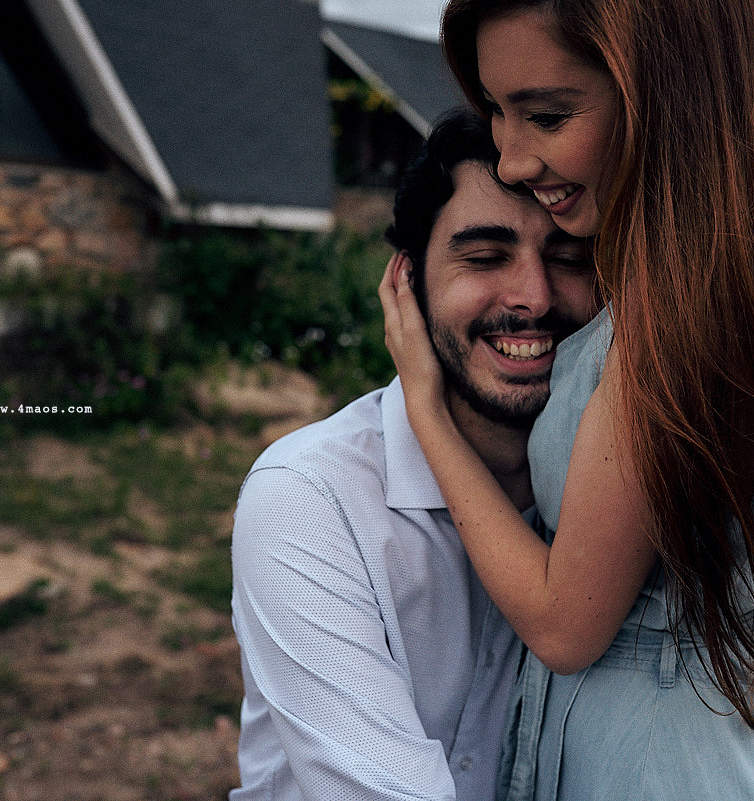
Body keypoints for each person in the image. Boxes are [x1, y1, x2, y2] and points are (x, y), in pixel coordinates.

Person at [378, 2, 754, 800]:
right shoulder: (712, 301)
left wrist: (425, 408)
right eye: (498, 113)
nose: (509, 160)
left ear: (669, 102)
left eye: (546, 115)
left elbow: (564, 624)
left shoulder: (664, 342)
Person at [228, 110, 600, 801]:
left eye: (569, 257)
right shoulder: (311, 498)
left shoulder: (613, 491)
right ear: (408, 281)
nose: (534, 297)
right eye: (485, 257)